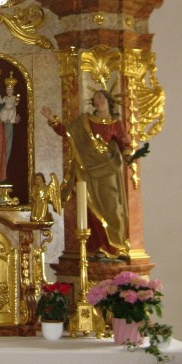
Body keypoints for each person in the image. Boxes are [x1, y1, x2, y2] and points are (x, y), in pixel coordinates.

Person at [41, 90, 132, 258]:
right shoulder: (85, 121)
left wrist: (128, 155)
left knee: (113, 207)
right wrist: (52, 118)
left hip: (108, 171)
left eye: (101, 97)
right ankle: (100, 247)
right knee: (91, 209)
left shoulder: (115, 123)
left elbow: (124, 142)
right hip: (88, 171)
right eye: (95, 98)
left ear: (108, 101)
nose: (98, 101)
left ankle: (116, 246)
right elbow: (67, 132)